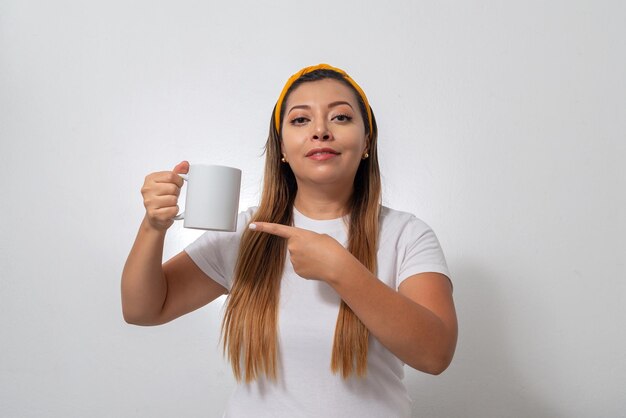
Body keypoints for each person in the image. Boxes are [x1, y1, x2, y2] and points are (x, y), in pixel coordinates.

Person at [121, 63, 458, 417]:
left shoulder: (406, 234)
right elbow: (142, 309)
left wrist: (342, 270)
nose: (320, 131)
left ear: (366, 143)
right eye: (300, 120)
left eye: (341, 117)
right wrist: (153, 227)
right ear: (282, 147)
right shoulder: (249, 233)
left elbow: (435, 355)